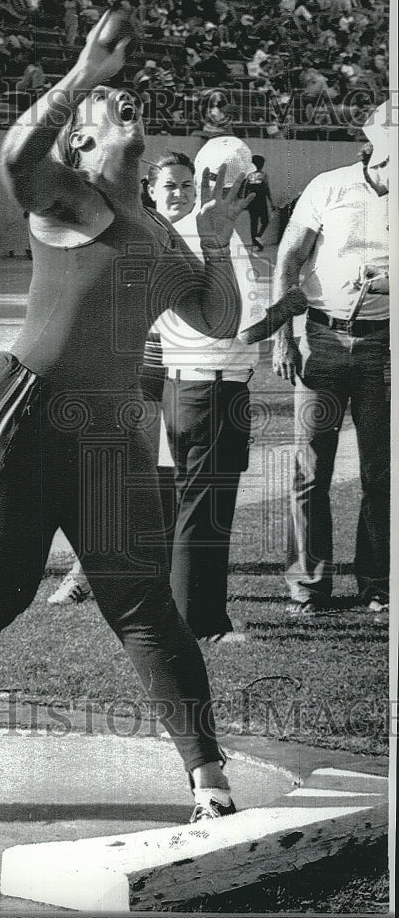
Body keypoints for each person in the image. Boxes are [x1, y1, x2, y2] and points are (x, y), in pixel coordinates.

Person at [0, 11, 251, 827]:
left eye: (129, 101)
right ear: (82, 147)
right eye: (105, 108)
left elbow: (219, 321)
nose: (126, 105)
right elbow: (14, 155)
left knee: (143, 603)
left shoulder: (166, 234)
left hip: (107, 437)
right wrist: (80, 76)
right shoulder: (68, 200)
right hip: (19, 416)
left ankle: (209, 784)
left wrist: (219, 238)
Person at [49, 152, 196, 606]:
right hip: (138, 363)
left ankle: (167, 573)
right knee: (120, 471)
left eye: (187, 185)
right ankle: (84, 571)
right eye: (170, 185)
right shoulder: (137, 228)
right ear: (151, 189)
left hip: (189, 367)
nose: (180, 194)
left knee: (171, 475)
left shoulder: (205, 232)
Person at [272, 100, 390, 616]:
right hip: (320, 341)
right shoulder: (329, 187)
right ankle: (308, 586)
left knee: (383, 474)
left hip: (386, 347)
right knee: (310, 471)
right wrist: (281, 335)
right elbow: (288, 258)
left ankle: (378, 582)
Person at [154, 138, 267, 642]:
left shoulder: (179, 233)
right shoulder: (207, 237)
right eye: (244, 180)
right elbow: (236, 327)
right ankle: (198, 623)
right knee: (205, 511)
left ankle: (193, 615)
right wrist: (287, 310)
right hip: (211, 390)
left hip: (190, 388)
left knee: (196, 508)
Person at [246, 155, 275, 250]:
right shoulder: (259, 175)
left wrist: (271, 202)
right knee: (258, 222)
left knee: (259, 222)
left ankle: (256, 240)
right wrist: (271, 202)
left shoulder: (252, 175)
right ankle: (256, 241)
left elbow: (247, 189)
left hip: (256, 201)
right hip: (258, 201)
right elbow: (266, 189)